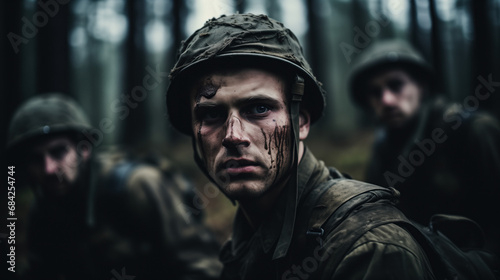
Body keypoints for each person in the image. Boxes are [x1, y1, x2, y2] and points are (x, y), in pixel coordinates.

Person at [166, 14, 435, 279]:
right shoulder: (246, 239)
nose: (234, 136)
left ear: (302, 123)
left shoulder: (368, 248)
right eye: (211, 115)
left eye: (259, 109)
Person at [5, 93, 222, 280]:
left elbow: (203, 268)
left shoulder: (138, 185)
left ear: (84, 150)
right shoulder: (44, 209)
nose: (49, 168)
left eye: (58, 152)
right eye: (36, 159)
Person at [348, 39, 500, 254]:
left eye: (396, 85)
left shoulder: (472, 131)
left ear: (421, 86)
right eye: (375, 92)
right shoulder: (383, 149)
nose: (387, 100)